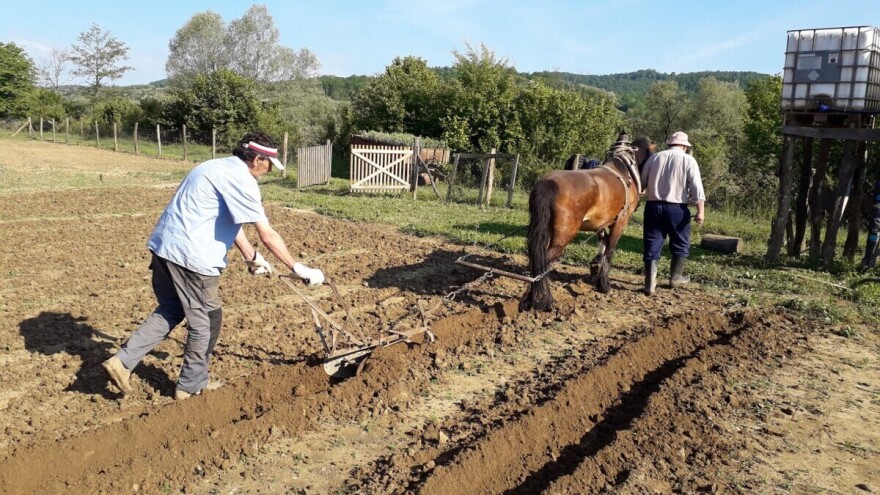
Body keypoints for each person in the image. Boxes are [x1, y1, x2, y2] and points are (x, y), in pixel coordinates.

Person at [102, 131, 325, 400]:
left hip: (164, 249)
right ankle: (191, 387)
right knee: (206, 321)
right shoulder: (242, 180)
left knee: (172, 308)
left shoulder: (212, 166)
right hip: (193, 259)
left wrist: (250, 256)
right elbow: (267, 234)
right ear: (256, 159)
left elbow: (229, 220)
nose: (268, 170)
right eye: (268, 164)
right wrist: (297, 266)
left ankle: (122, 362)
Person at [639, 131, 705, 295]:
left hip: (653, 207)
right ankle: (675, 279)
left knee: (652, 242)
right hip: (677, 208)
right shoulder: (688, 160)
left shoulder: (655, 158)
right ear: (684, 146)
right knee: (681, 243)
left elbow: (642, 181)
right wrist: (700, 211)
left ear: (670, 144)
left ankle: (649, 284)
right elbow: (697, 188)